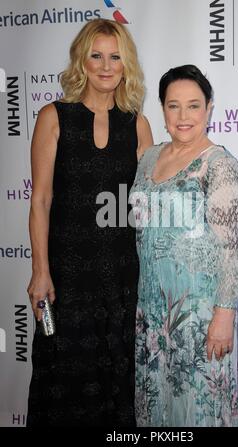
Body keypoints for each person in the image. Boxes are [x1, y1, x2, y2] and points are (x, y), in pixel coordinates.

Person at [26, 18, 153, 427]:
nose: (105, 65)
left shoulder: (137, 124)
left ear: (125, 64)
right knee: (64, 378)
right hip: (67, 276)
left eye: (115, 57)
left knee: (118, 380)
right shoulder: (53, 116)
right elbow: (41, 199)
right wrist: (40, 271)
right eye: (96, 55)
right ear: (82, 60)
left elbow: (149, 205)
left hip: (121, 278)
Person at [130, 65, 238, 427]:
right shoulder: (149, 157)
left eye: (194, 106)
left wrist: (224, 318)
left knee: (201, 410)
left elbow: (234, 248)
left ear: (209, 108)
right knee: (156, 409)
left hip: (199, 320)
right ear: (163, 110)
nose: (183, 117)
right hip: (151, 315)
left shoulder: (220, 165)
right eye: (173, 105)